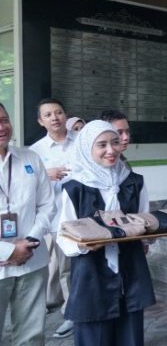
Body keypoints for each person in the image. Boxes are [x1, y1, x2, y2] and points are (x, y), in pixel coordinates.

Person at [56, 120, 155, 345]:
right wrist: (84, 245)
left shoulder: (133, 182)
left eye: (115, 143)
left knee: (130, 336)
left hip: (130, 271)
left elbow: (145, 221)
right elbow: (63, 235)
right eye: (101, 145)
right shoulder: (75, 188)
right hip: (91, 274)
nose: (111, 150)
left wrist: (152, 234)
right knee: (94, 337)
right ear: (86, 148)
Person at [0, 102, 56, 345]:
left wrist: (30, 241)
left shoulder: (30, 158)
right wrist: (9, 251)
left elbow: (47, 205)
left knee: (31, 336)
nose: (2, 127)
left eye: (4, 120)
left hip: (32, 261)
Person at [28, 97, 75, 338]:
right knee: (60, 268)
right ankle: (64, 309)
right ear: (40, 121)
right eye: (48, 115)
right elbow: (27, 186)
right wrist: (45, 174)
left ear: (66, 115)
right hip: (55, 219)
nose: (54, 117)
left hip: (82, 216)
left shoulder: (82, 142)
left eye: (58, 112)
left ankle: (79, 313)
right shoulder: (35, 152)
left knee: (77, 268)